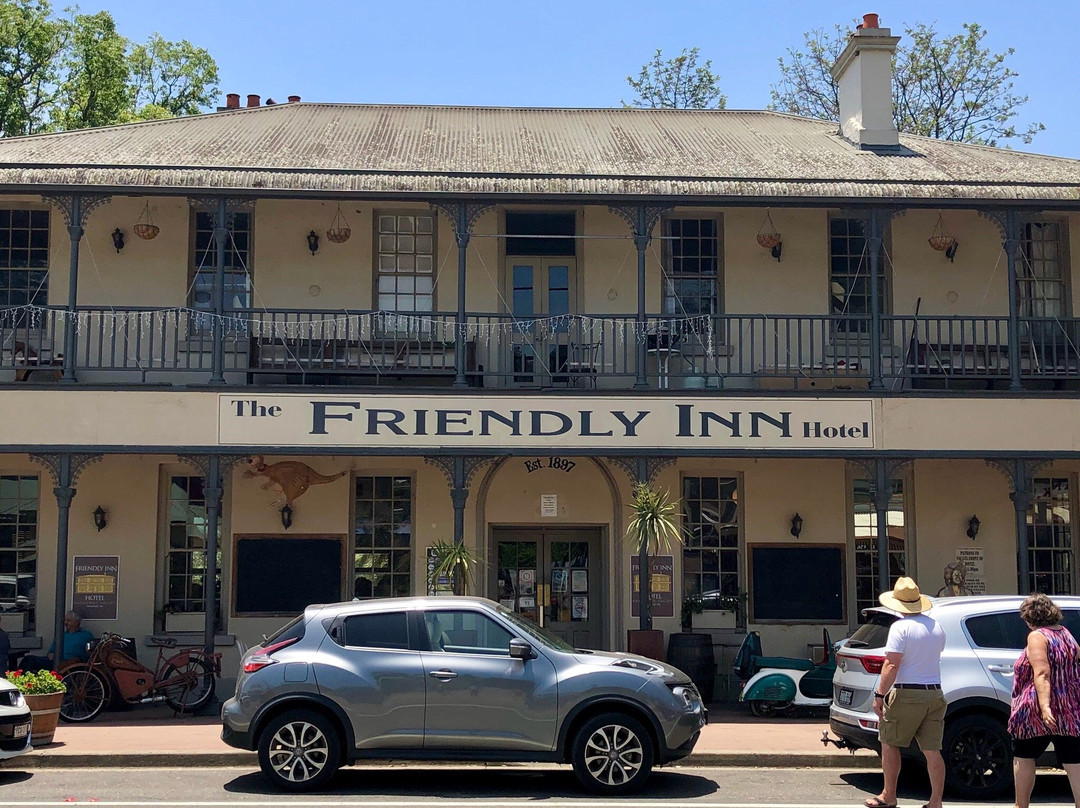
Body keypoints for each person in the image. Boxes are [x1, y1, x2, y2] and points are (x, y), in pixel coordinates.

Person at [864, 577, 947, 808]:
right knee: (932, 750)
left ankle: (889, 795)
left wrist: (880, 695)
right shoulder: (936, 626)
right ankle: (936, 801)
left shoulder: (900, 627)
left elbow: (891, 664)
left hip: (907, 692)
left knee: (890, 742)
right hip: (935, 692)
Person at [1008, 593, 1080, 808]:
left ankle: (1021, 805)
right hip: (1068, 707)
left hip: (1035, 707)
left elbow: (1042, 673)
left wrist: (1045, 706)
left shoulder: (1038, 636)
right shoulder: (1065, 634)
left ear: (1029, 617)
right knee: (1074, 760)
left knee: (1024, 755)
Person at [20, 611, 93, 672]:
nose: (65, 623)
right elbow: (51, 651)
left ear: (77, 622)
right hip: (54, 661)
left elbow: (91, 653)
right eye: (65, 620)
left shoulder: (86, 635)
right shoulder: (61, 635)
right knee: (29, 659)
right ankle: (19, 682)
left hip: (71, 663)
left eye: (68, 620)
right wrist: (50, 654)